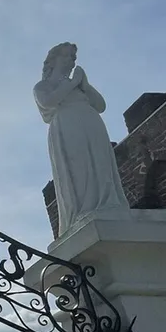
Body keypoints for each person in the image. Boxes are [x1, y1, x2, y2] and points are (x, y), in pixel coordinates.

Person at [34, 43, 130, 236]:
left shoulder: (79, 85)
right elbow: (48, 101)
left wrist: (84, 84)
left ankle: (107, 202)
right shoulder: (43, 86)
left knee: (100, 162)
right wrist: (72, 83)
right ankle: (83, 208)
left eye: (74, 57)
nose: (72, 61)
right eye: (68, 56)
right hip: (67, 126)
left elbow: (101, 105)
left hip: (91, 123)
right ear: (54, 60)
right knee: (78, 166)